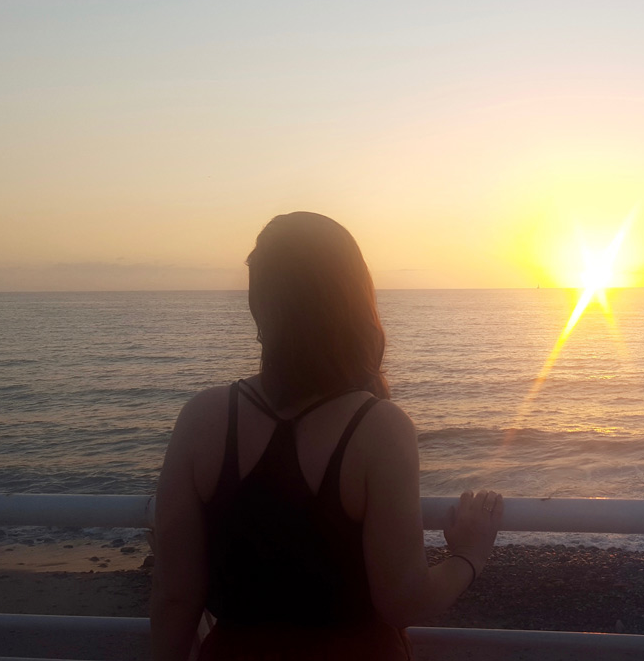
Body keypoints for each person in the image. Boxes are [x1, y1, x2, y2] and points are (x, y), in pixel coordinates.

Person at [151, 212, 503, 660]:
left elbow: (175, 596)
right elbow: (404, 601)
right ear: (354, 300)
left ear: (260, 302)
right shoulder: (379, 427)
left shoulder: (202, 417)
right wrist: (469, 556)